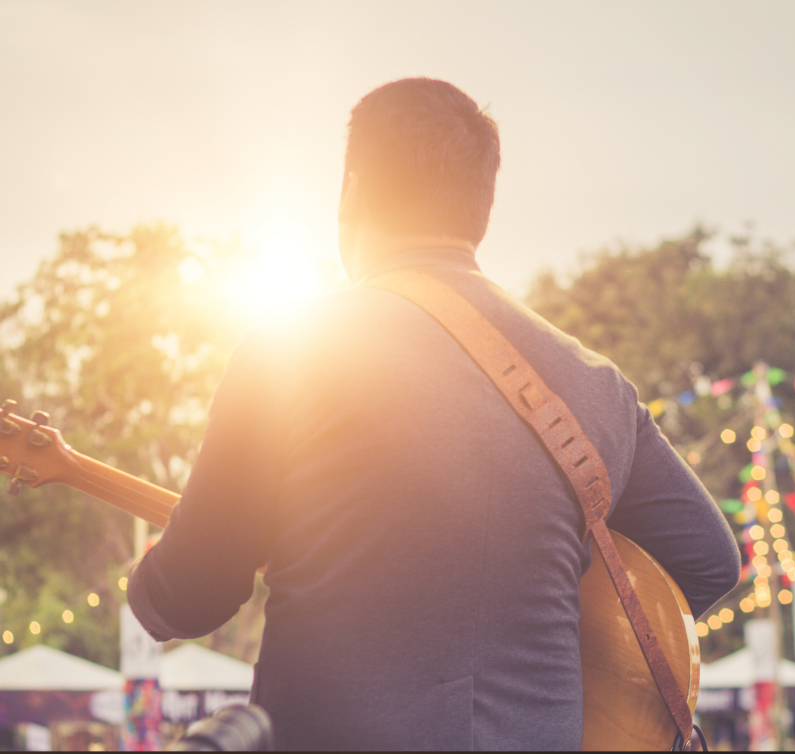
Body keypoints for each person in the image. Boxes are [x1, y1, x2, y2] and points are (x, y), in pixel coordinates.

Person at [128, 78, 740, 750]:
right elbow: (709, 562)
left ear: (352, 193)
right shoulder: (597, 386)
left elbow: (190, 596)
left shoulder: (291, 347)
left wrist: (150, 579)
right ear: (480, 209)